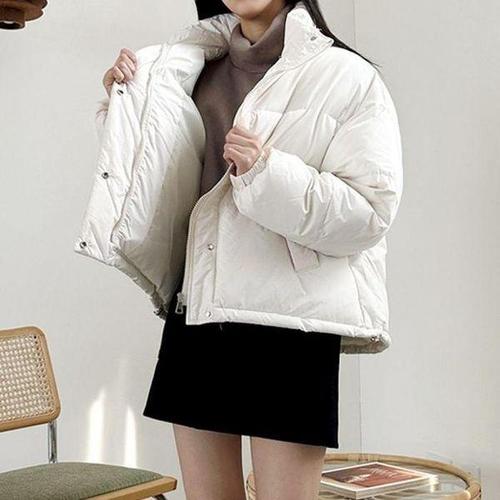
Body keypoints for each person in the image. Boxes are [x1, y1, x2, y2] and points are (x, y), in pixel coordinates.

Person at [94, 1, 403, 499]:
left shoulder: (347, 76)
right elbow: (163, 193)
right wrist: (127, 111)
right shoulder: (186, 66)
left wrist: (265, 173)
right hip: (199, 312)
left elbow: (369, 213)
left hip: (291, 326)